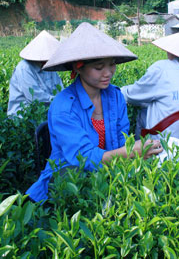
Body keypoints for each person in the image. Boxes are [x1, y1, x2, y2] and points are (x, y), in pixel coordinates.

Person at [26, 22, 163, 203]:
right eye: (99, 68)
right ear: (78, 67)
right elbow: (83, 159)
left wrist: (138, 152)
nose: (108, 73)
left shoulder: (115, 97)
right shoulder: (63, 107)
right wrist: (130, 152)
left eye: (112, 65)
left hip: (107, 174)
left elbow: (121, 142)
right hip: (68, 180)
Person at [121, 29, 179, 141]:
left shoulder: (161, 69)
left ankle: (139, 152)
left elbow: (132, 95)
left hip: (164, 144)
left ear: (173, 51)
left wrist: (115, 91)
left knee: (144, 110)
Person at [7, 31, 64, 116]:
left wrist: (65, 98)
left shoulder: (50, 67)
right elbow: (35, 98)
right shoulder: (24, 68)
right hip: (23, 116)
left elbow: (59, 88)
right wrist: (60, 101)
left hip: (46, 112)